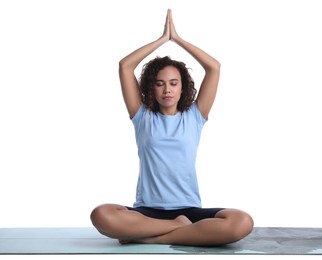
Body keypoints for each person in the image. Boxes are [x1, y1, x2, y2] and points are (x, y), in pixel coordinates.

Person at [90, 9, 253, 246]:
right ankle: (176, 229)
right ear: (151, 88)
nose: (167, 89)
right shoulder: (142, 116)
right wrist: (161, 40)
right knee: (101, 214)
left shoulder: (195, 116)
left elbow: (214, 68)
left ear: (182, 87)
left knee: (242, 221)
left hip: (188, 210)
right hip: (147, 212)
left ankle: (147, 240)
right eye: (160, 83)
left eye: (173, 83)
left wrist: (178, 39)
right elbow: (125, 66)